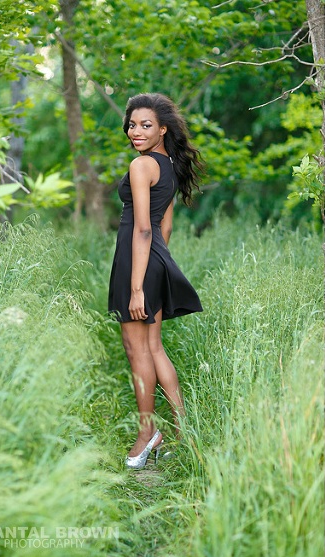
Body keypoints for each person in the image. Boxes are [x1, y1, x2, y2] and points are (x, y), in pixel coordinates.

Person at [108, 93, 205, 468]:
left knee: (138, 351)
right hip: (155, 261)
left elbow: (145, 229)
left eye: (146, 125)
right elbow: (166, 225)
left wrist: (136, 286)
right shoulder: (167, 165)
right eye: (132, 124)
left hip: (137, 262)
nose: (136, 131)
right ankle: (183, 432)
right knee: (155, 347)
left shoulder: (141, 165)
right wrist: (159, 266)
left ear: (162, 129)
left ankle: (147, 434)